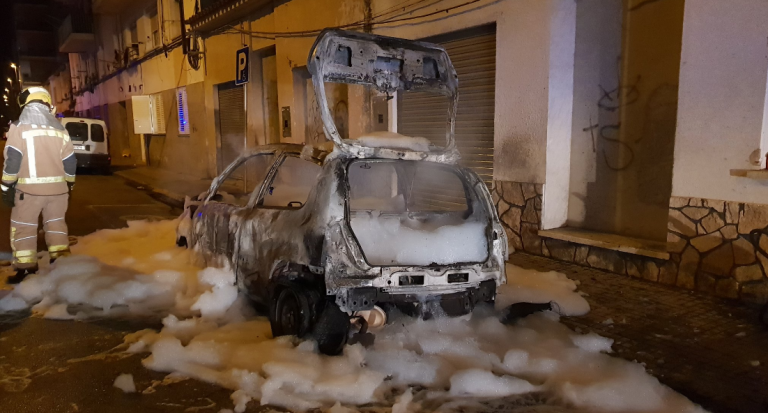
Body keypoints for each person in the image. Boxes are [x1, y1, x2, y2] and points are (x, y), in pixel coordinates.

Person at [1, 87, 76, 284]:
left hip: (29, 192)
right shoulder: (60, 129)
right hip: (58, 192)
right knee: (56, 226)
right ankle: (61, 264)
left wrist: (6, 185)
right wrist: (70, 183)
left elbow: (13, 160)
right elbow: (70, 161)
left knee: (24, 228)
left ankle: (26, 269)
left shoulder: (19, 127)